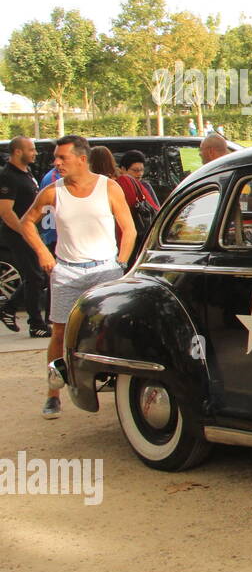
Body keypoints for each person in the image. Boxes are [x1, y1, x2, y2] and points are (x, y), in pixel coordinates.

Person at [17, 135, 136, 419]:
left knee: (112, 329)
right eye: (56, 158)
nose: (56, 163)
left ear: (82, 159)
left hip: (104, 268)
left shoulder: (109, 187)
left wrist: (120, 263)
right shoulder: (52, 191)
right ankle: (53, 393)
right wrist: (43, 255)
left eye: (62, 158)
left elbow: (128, 229)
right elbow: (26, 222)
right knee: (59, 332)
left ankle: (118, 390)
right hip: (67, 270)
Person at [0, 136, 50, 337]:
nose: (35, 153)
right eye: (31, 149)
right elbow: (5, 211)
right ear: (18, 152)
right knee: (35, 276)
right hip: (17, 233)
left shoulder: (26, 173)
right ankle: (36, 324)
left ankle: (9, 308)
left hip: (32, 232)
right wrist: (24, 230)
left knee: (40, 276)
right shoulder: (8, 176)